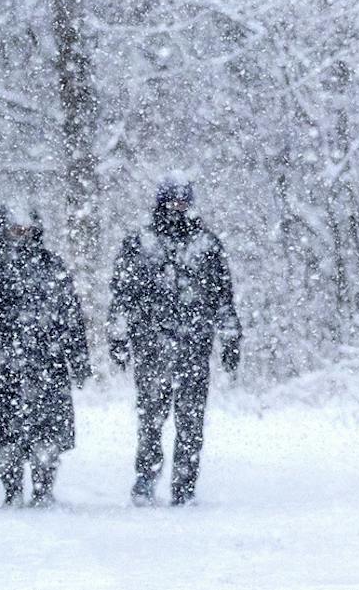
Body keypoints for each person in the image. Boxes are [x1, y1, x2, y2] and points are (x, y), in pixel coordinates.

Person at [108, 173, 242, 505]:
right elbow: (122, 296)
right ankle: (145, 478)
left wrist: (230, 337)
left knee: (191, 423)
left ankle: (184, 487)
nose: (176, 209)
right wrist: (119, 335)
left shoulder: (207, 246)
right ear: (159, 203)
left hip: (194, 349)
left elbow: (222, 298)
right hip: (151, 346)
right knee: (151, 419)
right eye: (171, 202)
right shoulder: (140, 243)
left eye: (182, 202)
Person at [0, 206, 92, 506]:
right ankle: (12, 489)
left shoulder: (51, 267)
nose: (20, 235)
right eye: (14, 229)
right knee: (2, 432)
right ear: (2, 230)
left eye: (26, 229)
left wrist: (78, 360)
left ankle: (44, 489)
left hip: (47, 365)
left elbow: (70, 317)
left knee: (48, 433)